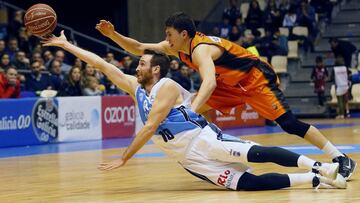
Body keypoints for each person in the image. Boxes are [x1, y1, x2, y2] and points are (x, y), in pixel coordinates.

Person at [42, 31, 346, 191]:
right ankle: (315, 180)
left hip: (202, 139)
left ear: (156, 69)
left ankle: (320, 165)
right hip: (186, 158)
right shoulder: (137, 88)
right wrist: (67, 46)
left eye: (143, 63)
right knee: (246, 185)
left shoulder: (167, 87)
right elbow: (101, 64)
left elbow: (149, 128)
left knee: (257, 153)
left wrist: (123, 158)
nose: (137, 66)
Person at [95, 12, 356, 180]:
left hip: (254, 79)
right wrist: (112, 35)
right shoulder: (178, 47)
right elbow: (139, 47)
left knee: (289, 124)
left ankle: (339, 157)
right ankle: (215, 146)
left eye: (169, 34)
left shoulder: (201, 50)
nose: (166, 39)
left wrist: (193, 111)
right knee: (191, 107)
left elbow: (208, 82)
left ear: (183, 34)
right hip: (230, 85)